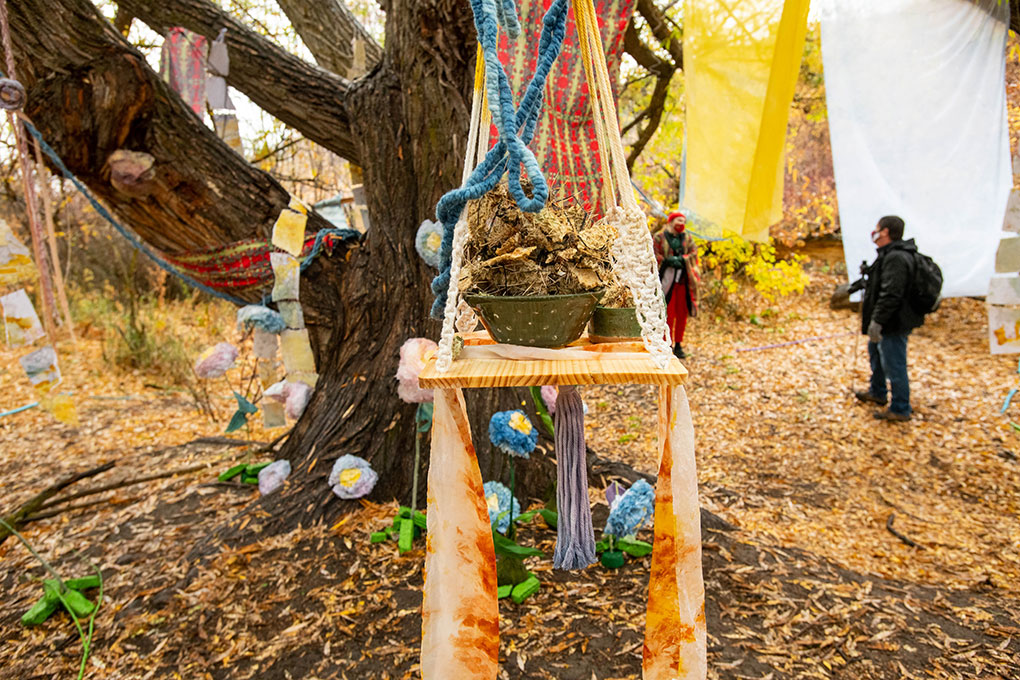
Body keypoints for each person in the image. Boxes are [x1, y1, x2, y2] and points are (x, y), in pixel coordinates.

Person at [855, 215, 924, 421]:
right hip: (887, 320)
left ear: (885, 232)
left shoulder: (897, 257)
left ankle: (901, 408)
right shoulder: (888, 254)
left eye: (877, 229)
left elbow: (891, 294)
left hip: (893, 322)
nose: (874, 233)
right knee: (875, 352)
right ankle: (877, 392)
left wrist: (878, 321)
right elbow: (881, 285)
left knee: (894, 363)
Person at [653, 211, 699, 359]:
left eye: (683, 221)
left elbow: (694, 253)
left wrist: (683, 259)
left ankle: (679, 344)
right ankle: (667, 343)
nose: (681, 223)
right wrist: (666, 261)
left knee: (681, 314)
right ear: (671, 221)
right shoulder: (659, 237)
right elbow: (653, 254)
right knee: (668, 312)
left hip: (683, 280)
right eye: (678, 220)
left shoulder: (687, 238)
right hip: (666, 280)